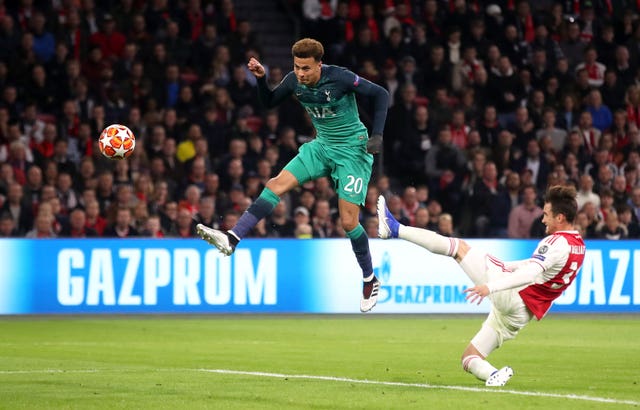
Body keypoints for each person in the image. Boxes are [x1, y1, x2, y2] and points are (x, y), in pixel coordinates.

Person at [196, 38, 390, 312]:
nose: (300, 73)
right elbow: (270, 102)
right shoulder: (292, 81)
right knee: (275, 185)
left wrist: (378, 135)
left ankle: (369, 278)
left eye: (306, 68)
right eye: (297, 67)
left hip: (352, 151)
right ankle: (232, 238)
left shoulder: (341, 78)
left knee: (348, 222)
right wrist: (262, 81)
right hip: (322, 146)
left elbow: (381, 94)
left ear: (319, 65)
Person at [377, 185, 585, 386]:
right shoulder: (578, 246)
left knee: (458, 248)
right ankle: (493, 375)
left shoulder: (556, 242)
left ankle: (395, 229)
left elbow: (532, 273)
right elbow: (536, 267)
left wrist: (491, 287)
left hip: (513, 296)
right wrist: (505, 267)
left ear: (560, 217)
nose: (542, 219)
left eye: (547, 214)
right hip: (522, 315)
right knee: (470, 357)